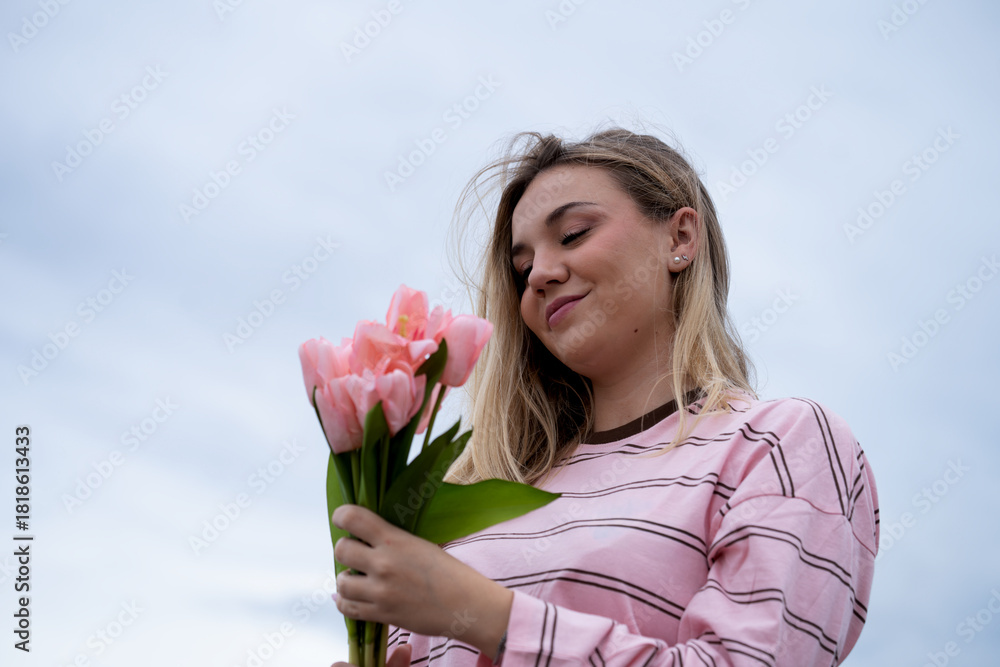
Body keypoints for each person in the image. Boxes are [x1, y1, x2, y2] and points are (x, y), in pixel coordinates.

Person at [330, 127, 879, 666]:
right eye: (522, 268)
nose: (540, 275)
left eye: (573, 234)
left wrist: (488, 616)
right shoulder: (474, 489)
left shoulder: (779, 443)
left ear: (680, 238)